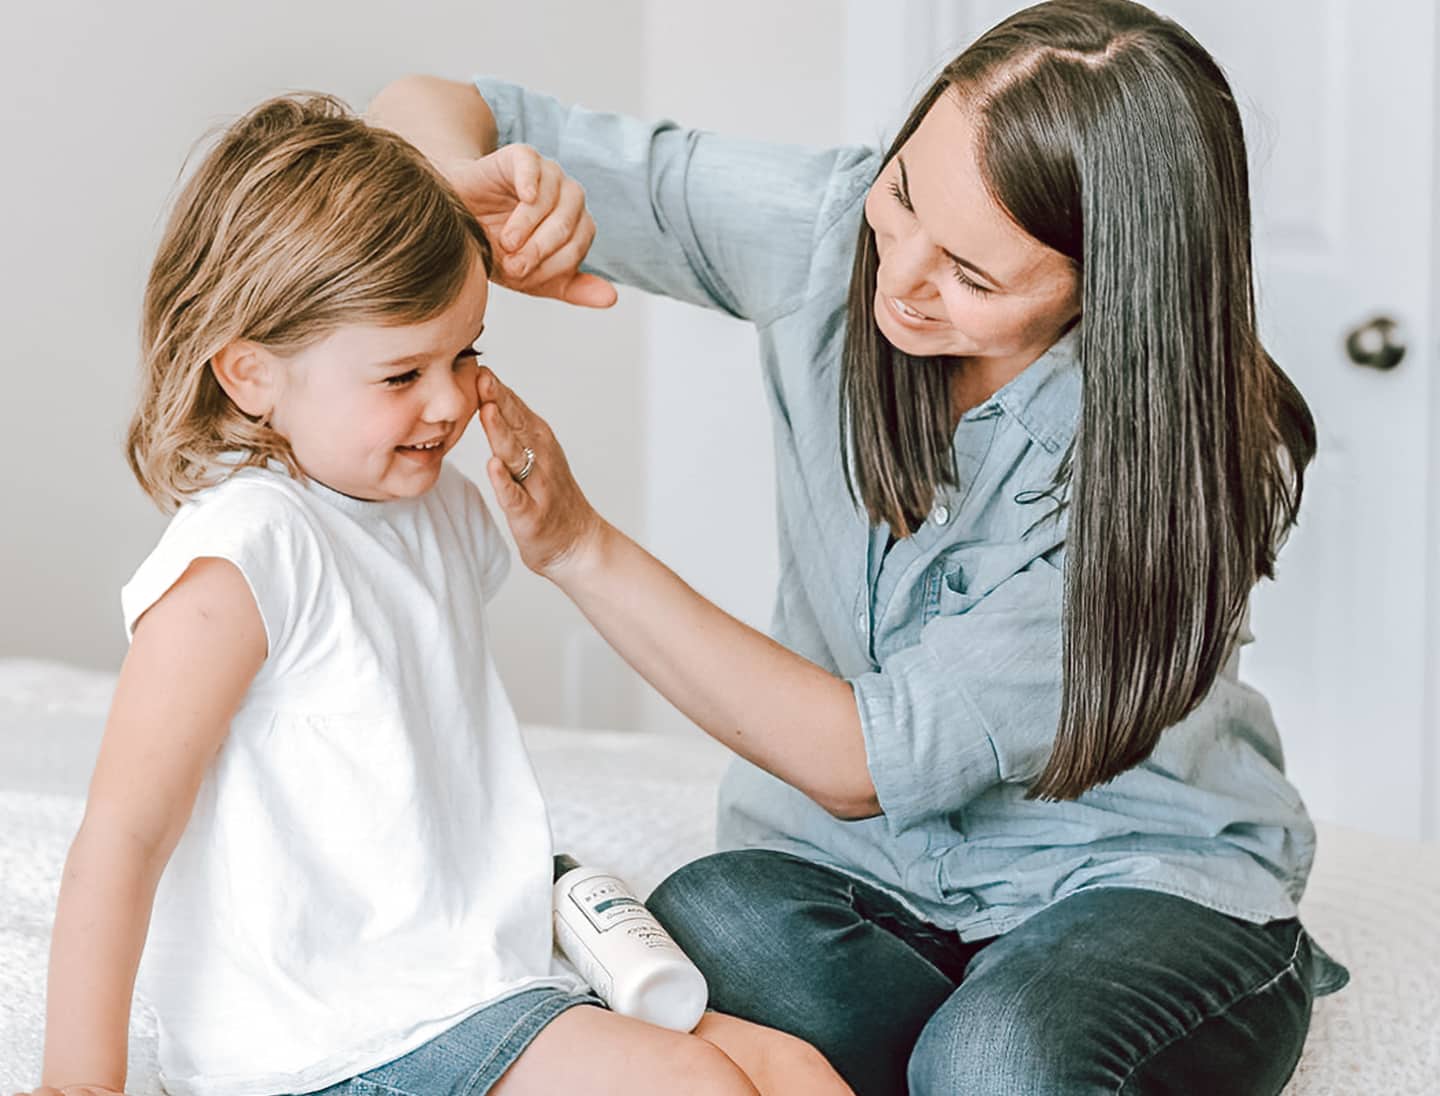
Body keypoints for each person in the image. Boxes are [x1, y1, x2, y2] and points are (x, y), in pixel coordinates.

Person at [369, 1, 1352, 1093]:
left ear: (1111, 289)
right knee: (706, 922)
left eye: (973, 279)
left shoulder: (1184, 459)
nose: (901, 275)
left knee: (997, 1057)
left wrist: (580, 546)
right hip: (872, 884)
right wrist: (466, 178)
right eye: (905, 198)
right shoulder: (833, 225)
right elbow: (434, 109)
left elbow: (855, 761)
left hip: (1125, 877)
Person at [19, 94, 850, 1096]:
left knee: (791, 1068)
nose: (451, 400)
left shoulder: (439, 510)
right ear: (250, 376)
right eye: (402, 372)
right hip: (338, 1038)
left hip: (470, 985)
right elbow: (125, 830)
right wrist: (79, 1083)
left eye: (467, 355)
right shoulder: (246, 549)